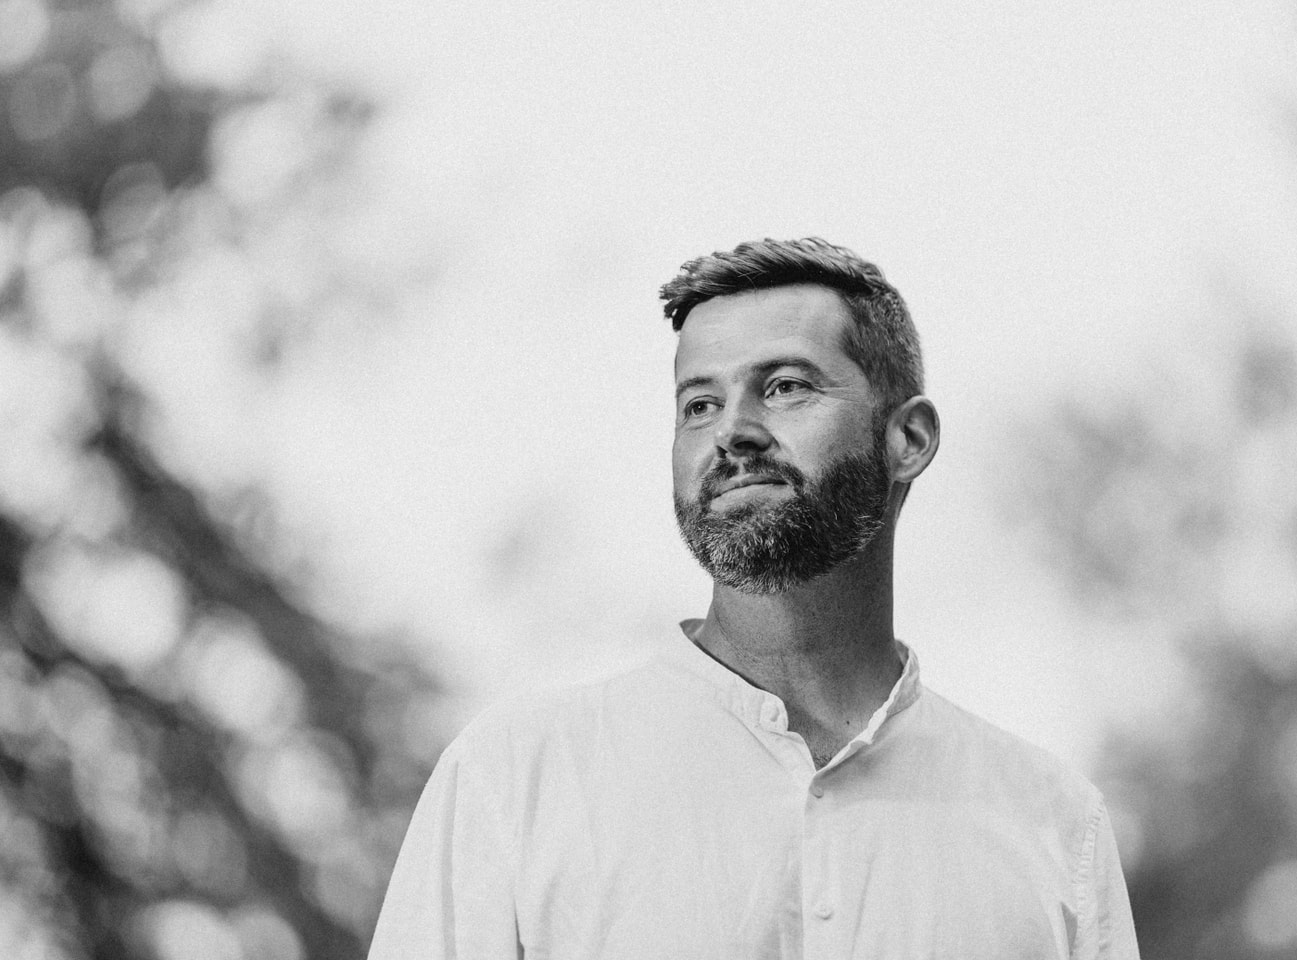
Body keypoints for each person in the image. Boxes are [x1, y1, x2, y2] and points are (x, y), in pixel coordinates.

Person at [367, 237, 1141, 959]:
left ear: (908, 439)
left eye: (783, 387)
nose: (734, 431)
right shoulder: (517, 779)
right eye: (699, 404)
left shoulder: (1053, 826)